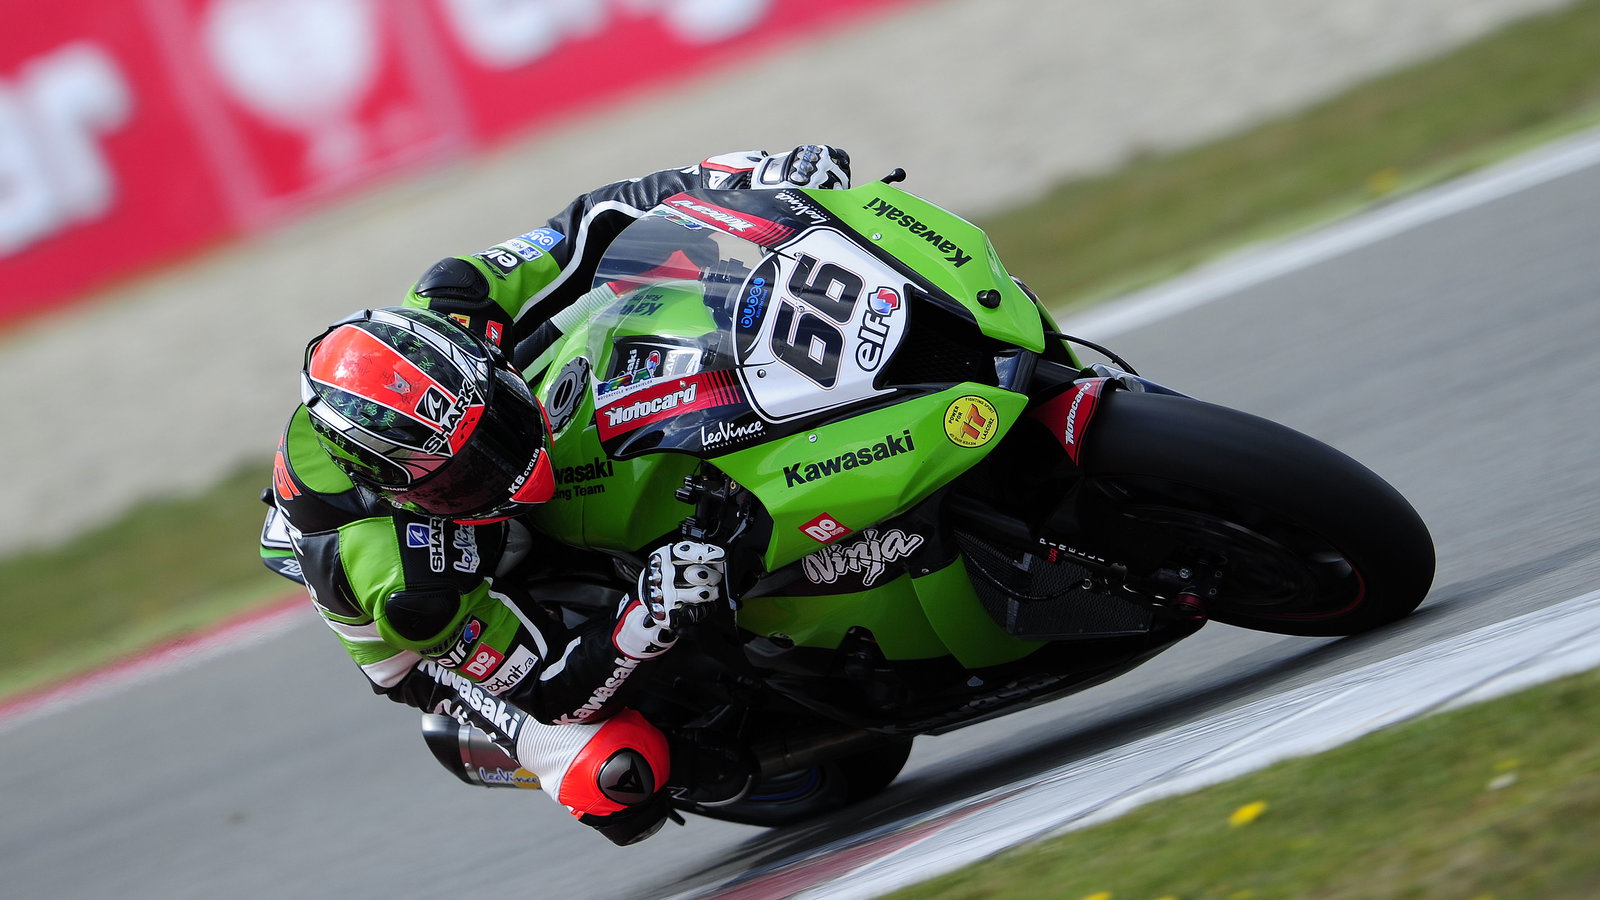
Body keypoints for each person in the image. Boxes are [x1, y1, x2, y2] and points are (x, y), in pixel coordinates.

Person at [261, 146, 852, 845]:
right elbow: (548, 689)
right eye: (464, 476)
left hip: (459, 447)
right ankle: (704, 751)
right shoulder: (413, 588)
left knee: (652, 267)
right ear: (401, 489)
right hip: (434, 642)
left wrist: (738, 177)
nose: (515, 475)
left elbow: (591, 224)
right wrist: (647, 616)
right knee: (616, 775)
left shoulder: (456, 301)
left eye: (497, 432)